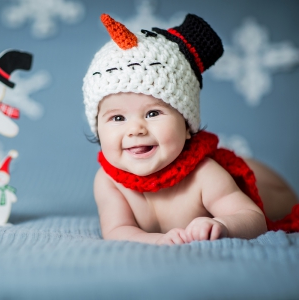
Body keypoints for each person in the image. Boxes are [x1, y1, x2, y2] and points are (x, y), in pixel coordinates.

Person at [83, 14, 299, 245]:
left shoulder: (203, 172)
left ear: (187, 125)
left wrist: (222, 225)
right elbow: (117, 229)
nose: (136, 129)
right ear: (98, 128)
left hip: (269, 189)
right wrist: (160, 240)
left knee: (264, 189)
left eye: (153, 113)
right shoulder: (108, 180)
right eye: (117, 117)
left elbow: (254, 218)